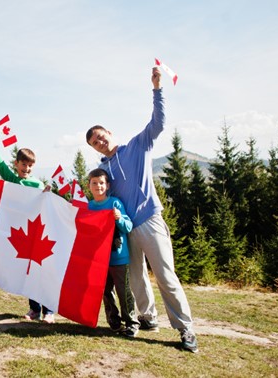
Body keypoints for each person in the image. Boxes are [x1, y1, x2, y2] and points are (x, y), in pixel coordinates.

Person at [85, 67, 198, 353]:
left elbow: (158, 123)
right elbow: (96, 200)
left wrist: (157, 89)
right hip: (126, 228)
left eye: (100, 136)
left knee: (165, 276)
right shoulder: (104, 171)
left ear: (109, 132)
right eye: (94, 142)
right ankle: (148, 318)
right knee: (136, 278)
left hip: (149, 220)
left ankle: (185, 329)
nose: (99, 141)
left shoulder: (137, 145)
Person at [0, 126, 55, 324]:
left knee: (42, 271)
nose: (26, 169)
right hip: (21, 233)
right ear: (16, 164)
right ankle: (34, 309)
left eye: (30, 166)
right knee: (29, 272)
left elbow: (48, 207)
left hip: (38, 233)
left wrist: (48, 194)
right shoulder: (11, 178)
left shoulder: (37, 185)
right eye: (23, 165)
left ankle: (49, 310)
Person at [87, 168, 139, 337]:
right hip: (98, 260)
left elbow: (128, 226)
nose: (98, 186)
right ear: (89, 186)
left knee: (124, 291)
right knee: (106, 292)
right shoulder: (89, 206)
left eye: (101, 183)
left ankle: (131, 322)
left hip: (118, 257)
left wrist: (119, 218)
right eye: (94, 183)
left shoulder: (115, 203)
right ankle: (114, 321)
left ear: (107, 185)